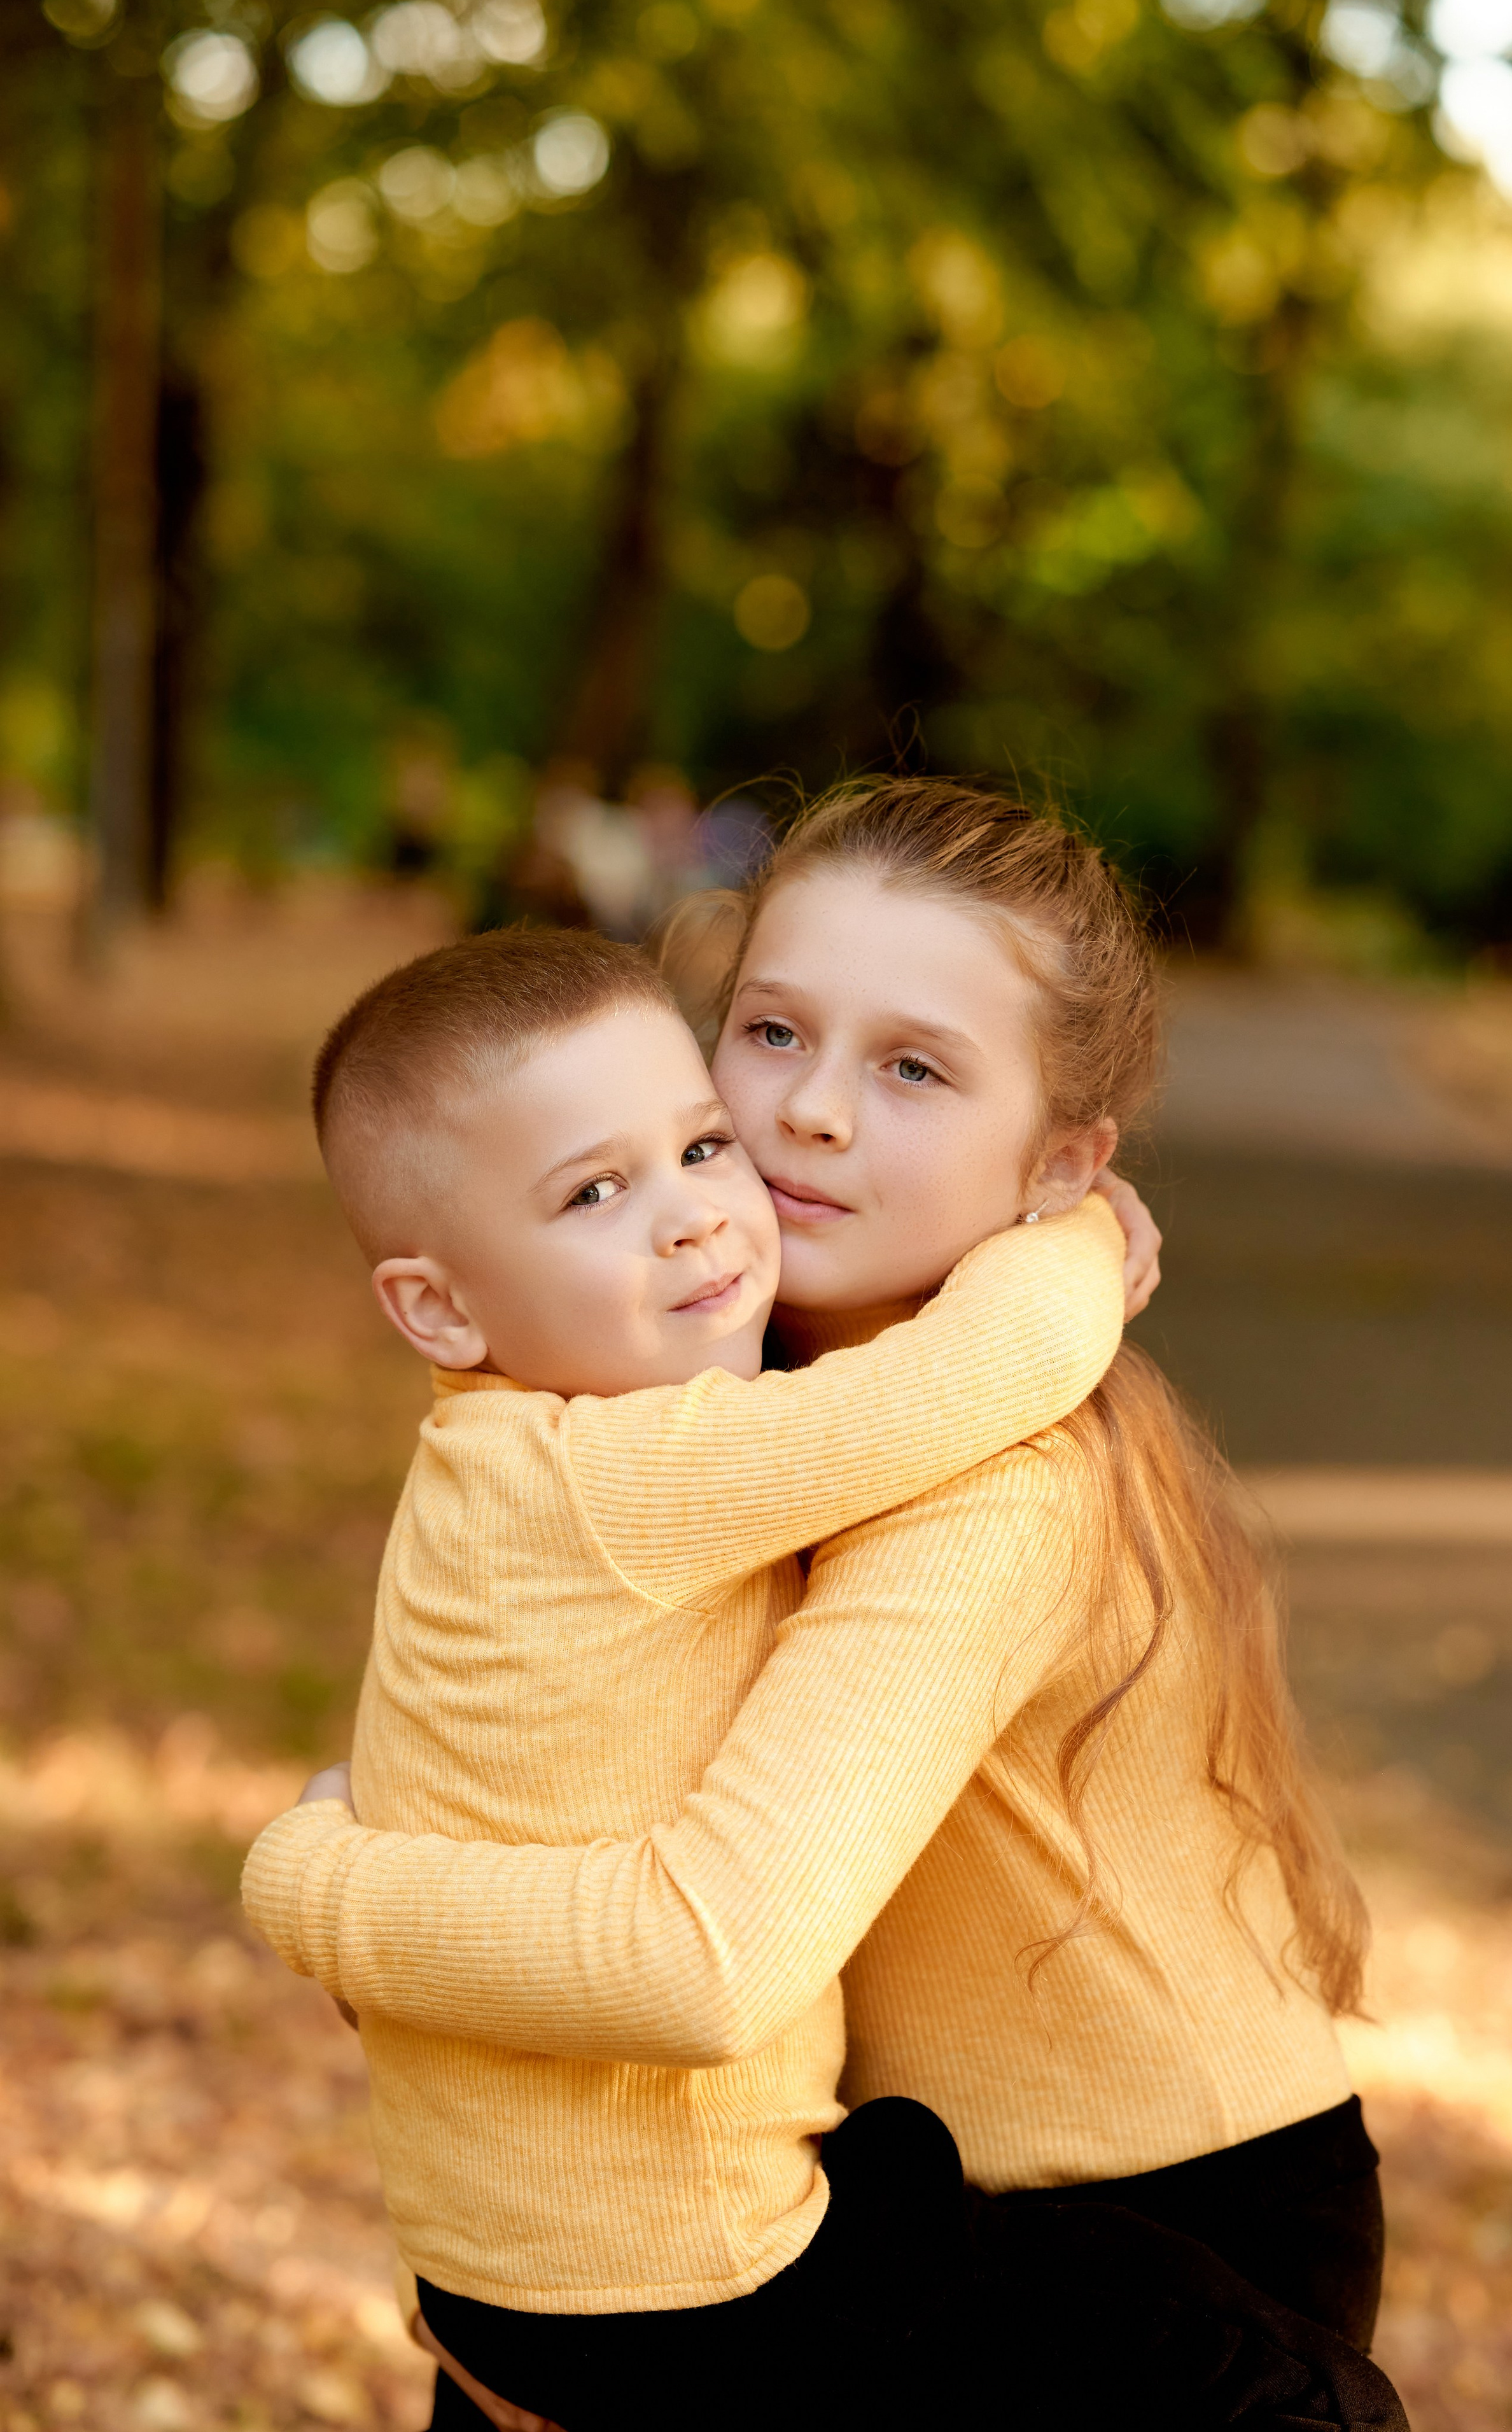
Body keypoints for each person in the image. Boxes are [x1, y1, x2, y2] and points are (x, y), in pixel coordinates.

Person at [246, 783, 1407, 2431]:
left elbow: (699, 1954)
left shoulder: (989, 1491)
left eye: (914, 1069)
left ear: (1056, 1162)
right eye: (774, 1032)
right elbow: (519, 1799)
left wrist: (318, 1875)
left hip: (1140, 2214)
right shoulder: (706, 1392)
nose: (810, 1113)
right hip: (850, 2182)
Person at [243, 917, 1137, 2424]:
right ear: (439, 1307)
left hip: (487, 2269)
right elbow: (991, 1370)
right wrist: (1080, 1220)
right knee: (1242, 2372)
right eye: (594, 1191)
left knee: (921, 2179)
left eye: (703, 1147)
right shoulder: (629, 1475)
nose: (692, 1220)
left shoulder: (484, 1461)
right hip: (683, 2276)